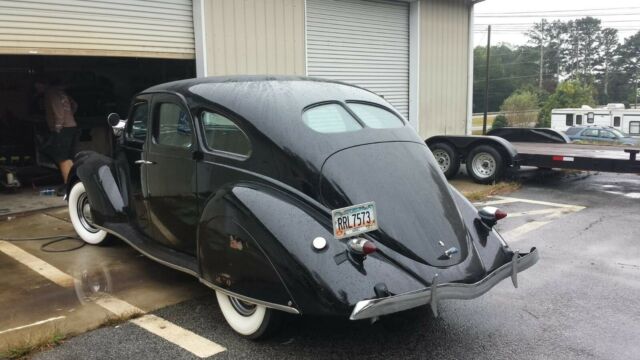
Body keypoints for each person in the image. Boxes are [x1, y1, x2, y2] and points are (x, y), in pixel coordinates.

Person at [34, 79, 79, 191]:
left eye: (37, 86)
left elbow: (58, 110)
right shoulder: (60, 91)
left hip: (63, 129)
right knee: (68, 157)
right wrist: (70, 116)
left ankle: (67, 185)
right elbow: (75, 105)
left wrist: (58, 127)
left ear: (42, 84)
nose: (37, 89)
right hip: (71, 126)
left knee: (62, 159)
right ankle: (73, 183)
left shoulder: (50, 93)